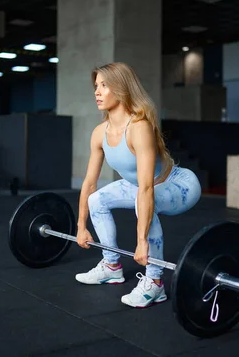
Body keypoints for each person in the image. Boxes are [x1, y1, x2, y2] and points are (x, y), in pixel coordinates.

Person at [74, 62, 202, 308]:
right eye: (96, 86)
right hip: (142, 187)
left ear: (121, 89)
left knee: (143, 203)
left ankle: (155, 283)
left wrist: (141, 241)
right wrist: (81, 225)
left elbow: (145, 190)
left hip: (179, 185)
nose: (97, 92)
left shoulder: (139, 127)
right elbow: (90, 183)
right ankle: (111, 266)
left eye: (104, 86)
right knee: (96, 200)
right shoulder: (99, 133)